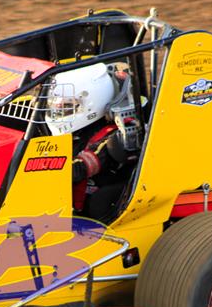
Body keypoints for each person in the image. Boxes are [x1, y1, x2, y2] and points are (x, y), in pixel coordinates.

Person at [45, 62, 143, 220]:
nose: (58, 113)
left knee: (99, 201)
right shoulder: (77, 132)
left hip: (99, 205)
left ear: (93, 103)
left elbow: (80, 167)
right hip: (69, 202)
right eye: (56, 108)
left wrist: (40, 168)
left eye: (68, 107)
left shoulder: (111, 136)